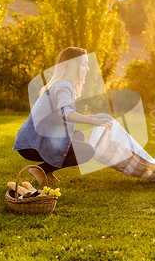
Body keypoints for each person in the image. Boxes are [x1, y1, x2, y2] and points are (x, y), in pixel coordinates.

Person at [13, 47, 112, 185]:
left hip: (29, 141)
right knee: (87, 151)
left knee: (78, 136)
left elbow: (64, 113)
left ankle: (47, 171)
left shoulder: (62, 85)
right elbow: (67, 114)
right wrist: (94, 121)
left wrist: (93, 117)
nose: (88, 68)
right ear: (73, 66)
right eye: (84, 64)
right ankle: (40, 170)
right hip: (32, 145)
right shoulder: (64, 86)